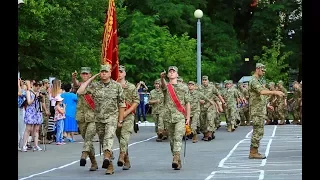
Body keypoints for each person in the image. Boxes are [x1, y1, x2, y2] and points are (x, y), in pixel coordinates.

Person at [77, 64, 125, 175]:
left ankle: (107, 156)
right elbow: (80, 91)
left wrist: (120, 120)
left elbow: (121, 104)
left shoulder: (116, 86)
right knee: (104, 141)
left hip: (112, 117)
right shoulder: (95, 86)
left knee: (109, 138)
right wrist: (92, 78)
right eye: (101, 72)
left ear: (110, 73)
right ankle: (109, 165)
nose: (103, 73)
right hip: (98, 118)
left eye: (105, 72)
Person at [248, 63, 285, 159]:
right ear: (257, 69)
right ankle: (253, 152)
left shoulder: (258, 81)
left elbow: (259, 96)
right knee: (258, 131)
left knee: (259, 131)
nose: (264, 72)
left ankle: (255, 151)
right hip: (256, 111)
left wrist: (267, 105)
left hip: (260, 109)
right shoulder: (253, 80)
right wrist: (274, 92)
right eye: (262, 70)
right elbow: (261, 92)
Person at [160, 66, 191, 170]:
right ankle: (177, 159)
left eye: (174, 72)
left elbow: (187, 103)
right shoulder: (166, 86)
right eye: (170, 72)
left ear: (177, 75)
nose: (172, 73)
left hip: (180, 117)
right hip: (168, 117)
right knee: (172, 141)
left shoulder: (184, 87)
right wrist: (161, 78)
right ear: (168, 75)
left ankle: (176, 156)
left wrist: (187, 117)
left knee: (178, 137)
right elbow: (163, 86)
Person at [72, 67, 98, 171]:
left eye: (87, 74)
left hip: (92, 117)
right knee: (87, 140)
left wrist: (94, 78)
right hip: (81, 117)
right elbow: (76, 86)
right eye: (83, 74)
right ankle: (94, 162)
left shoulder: (95, 86)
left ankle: (84, 154)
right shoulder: (79, 85)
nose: (85, 76)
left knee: (89, 137)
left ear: (90, 75)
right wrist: (73, 78)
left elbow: (82, 90)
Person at [116, 65, 140, 170]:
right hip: (116, 116)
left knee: (124, 138)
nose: (119, 73)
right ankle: (127, 160)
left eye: (121, 71)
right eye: (117, 72)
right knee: (120, 138)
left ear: (125, 73)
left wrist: (127, 112)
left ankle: (121, 156)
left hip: (128, 116)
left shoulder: (131, 87)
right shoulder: (113, 86)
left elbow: (136, 101)